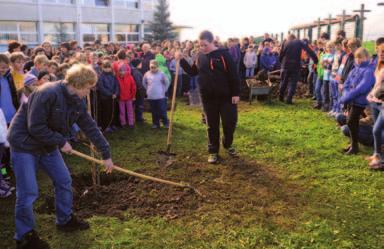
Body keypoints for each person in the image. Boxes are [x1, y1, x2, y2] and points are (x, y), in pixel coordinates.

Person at [8, 64, 114, 249]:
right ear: (79, 84)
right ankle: (24, 236)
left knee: (64, 181)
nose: (89, 92)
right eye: (89, 88)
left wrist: (106, 154)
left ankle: (64, 220)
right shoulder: (47, 93)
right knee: (28, 192)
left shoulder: (77, 101)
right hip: (24, 145)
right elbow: (35, 127)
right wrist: (61, 141)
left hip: (47, 145)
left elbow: (89, 126)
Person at [178, 30, 240, 163]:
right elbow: (193, 72)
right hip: (208, 98)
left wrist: (235, 93)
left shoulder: (224, 55)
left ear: (212, 42)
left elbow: (234, 75)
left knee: (230, 123)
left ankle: (227, 144)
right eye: (200, 45)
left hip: (226, 97)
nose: (202, 48)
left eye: (205, 45)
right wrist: (182, 61)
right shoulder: (200, 56)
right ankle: (213, 151)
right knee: (212, 125)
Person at [339, 48, 375, 155]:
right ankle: (353, 145)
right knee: (351, 122)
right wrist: (346, 94)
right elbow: (346, 84)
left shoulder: (368, 71)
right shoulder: (354, 69)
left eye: (361, 57)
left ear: (366, 57)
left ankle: (354, 147)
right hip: (352, 100)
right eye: (357, 57)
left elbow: (362, 88)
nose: (358, 60)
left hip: (361, 101)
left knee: (350, 122)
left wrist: (347, 96)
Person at [279, 34, 318, 104]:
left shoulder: (285, 42)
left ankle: (281, 97)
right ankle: (289, 99)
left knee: (284, 81)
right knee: (293, 83)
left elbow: (281, 54)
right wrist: (315, 59)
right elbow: (308, 50)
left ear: (289, 38)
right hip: (295, 65)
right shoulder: (299, 42)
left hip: (285, 65)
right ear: (295, 38)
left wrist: (281, 62)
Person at [366, 44, 384, 169]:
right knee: (376, 129)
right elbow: (377, 84)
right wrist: (371, 94)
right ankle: (376, 154)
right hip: (375, 101)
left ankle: (380, 158)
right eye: (380, 51)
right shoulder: (379, 65)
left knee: (377, 130)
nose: (381, 54)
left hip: (382, 103)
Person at [143, 60, 170, 129]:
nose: (152, 69)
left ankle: (165, 123)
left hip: (160, 96)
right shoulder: (147, 74)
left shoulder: (162, 74)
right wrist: (148, 90)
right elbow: (144, 83)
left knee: (162, 110)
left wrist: (164, 90)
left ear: (157, 67)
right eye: (151, 67)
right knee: (154, 111)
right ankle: (155, 123)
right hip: (151, 96)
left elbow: (167, 82)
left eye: (154, 67)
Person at [97, 60, 119, 131]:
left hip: (113, 97)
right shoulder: (101, 76)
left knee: (114, 111)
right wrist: (110, 94)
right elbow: (101, 88)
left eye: (108, 67)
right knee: (106, 112)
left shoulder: (113, 75)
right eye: (105, 67)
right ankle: (106, 126)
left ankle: (113, 124)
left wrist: (116, 93)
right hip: (105, 98)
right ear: (102, 68)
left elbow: (117, 85)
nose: (107, 69)